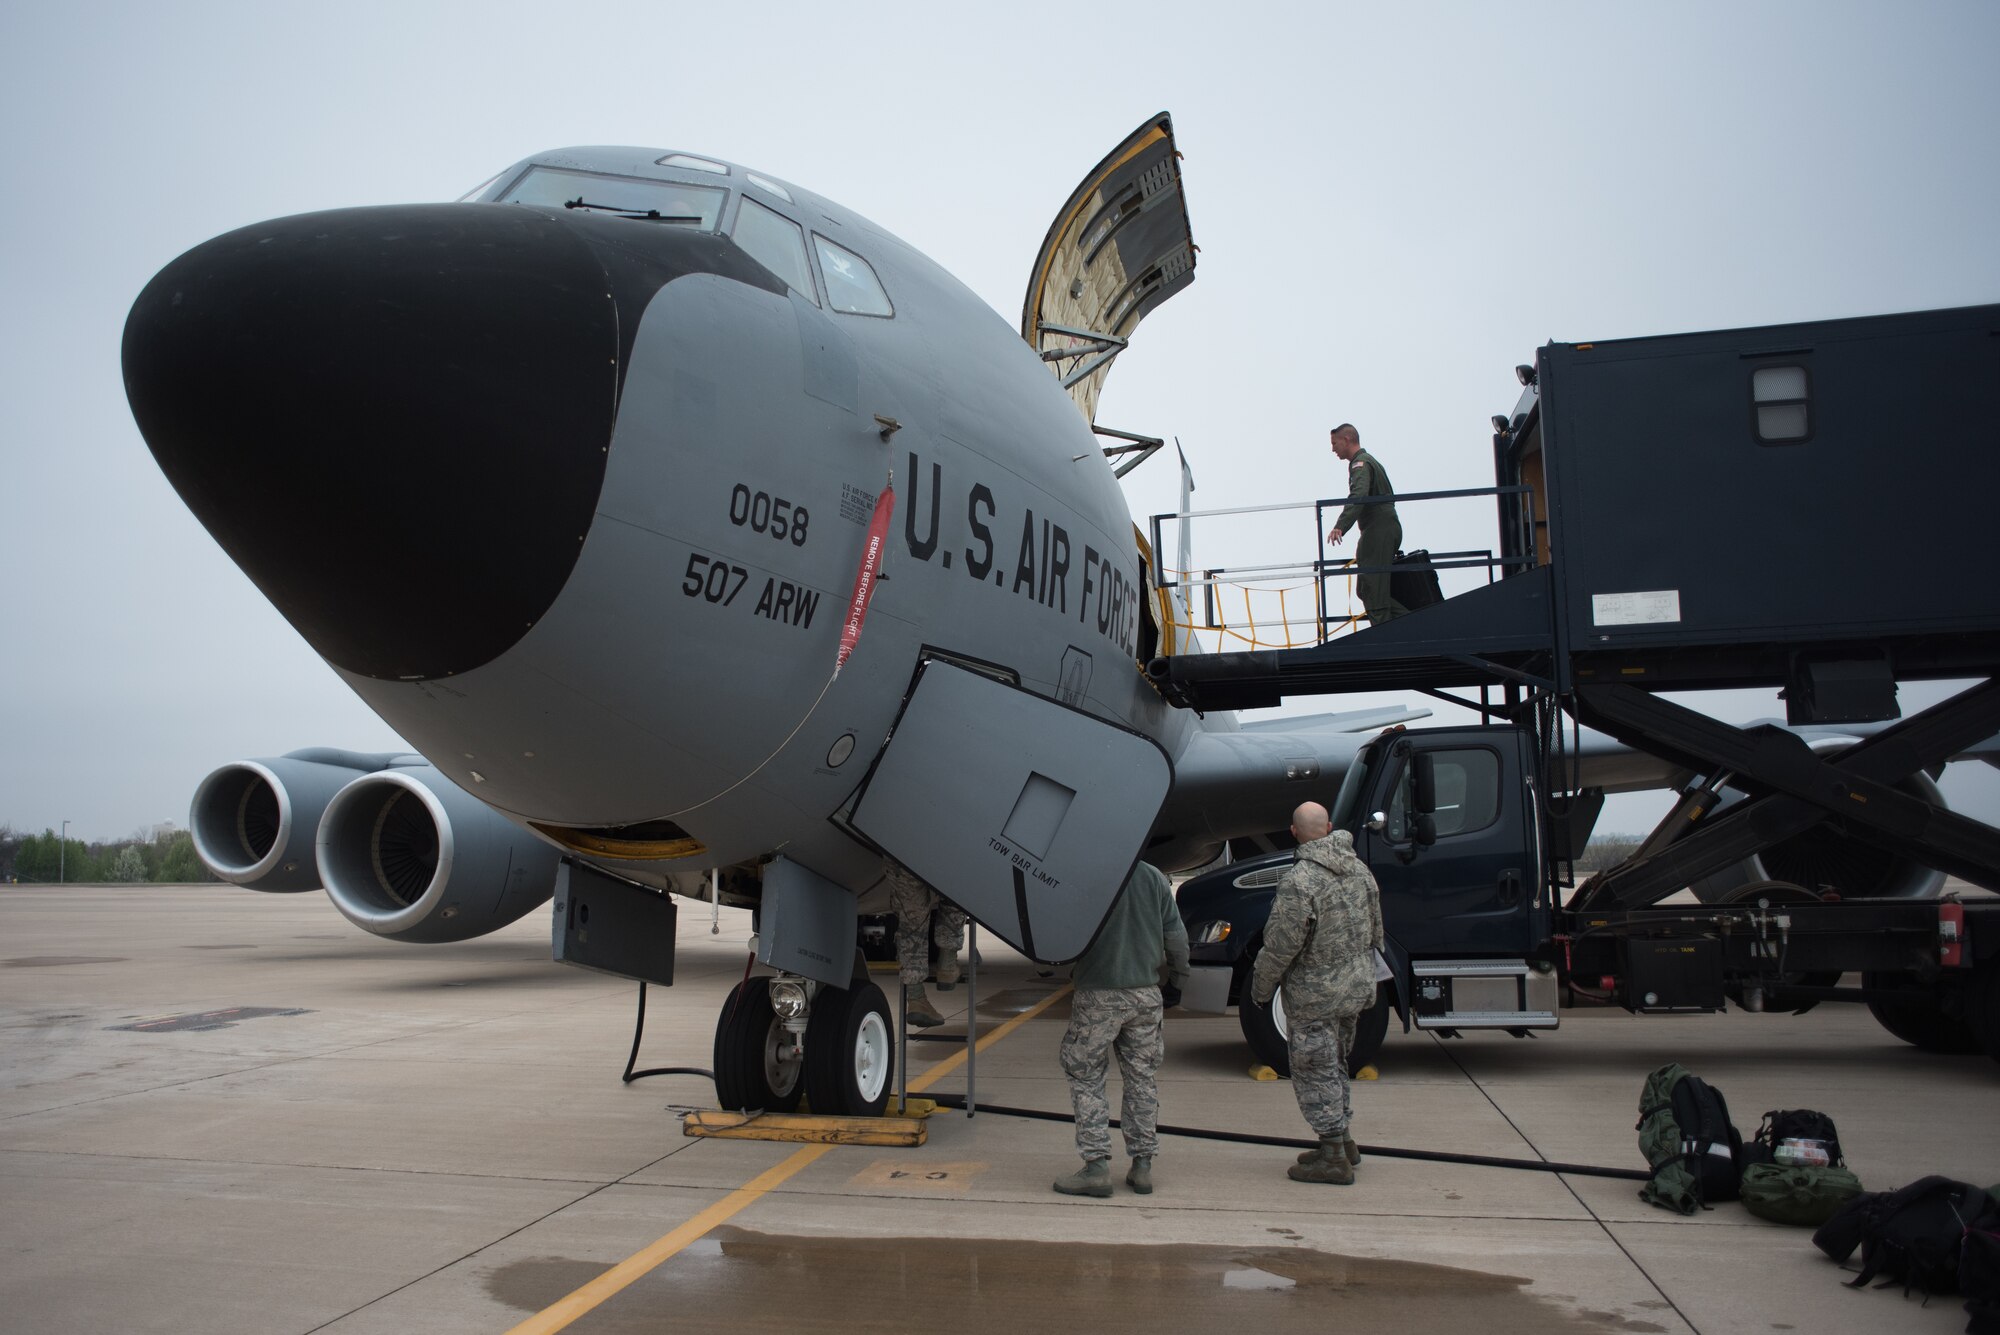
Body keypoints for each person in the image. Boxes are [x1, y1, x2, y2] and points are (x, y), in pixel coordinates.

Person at [1251, 800, 1384, 1185]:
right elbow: (1377, 929)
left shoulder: (1300, 881)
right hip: (1355, 989)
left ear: (1294, 833)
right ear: (1328, 828)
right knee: (1337, 1064)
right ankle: (1342, 1140)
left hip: (1315, 997)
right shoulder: (1360, 870)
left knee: (1313, 1070)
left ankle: (1332, 1157)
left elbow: (1280, 945)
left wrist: (1261, 987)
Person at [1053, 860, 1190, 1198]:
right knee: (1142, 1078)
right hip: (1144, 993)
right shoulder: (1154, 876)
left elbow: (1059, 933)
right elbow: (1175, 935)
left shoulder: (1085, 874)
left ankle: (1097, 1165)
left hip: (1097, 994)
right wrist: (1178, 978)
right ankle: (1142, 1165)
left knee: (1085, 1075)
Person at [1325, 423, 1409, 626]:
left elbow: (1359, 495)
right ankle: (1417, 622)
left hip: (1379, 529)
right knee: (1367, 588)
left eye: (1334, 443)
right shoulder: (1369, 461)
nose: (1333, 449)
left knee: (1373, 587)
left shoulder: (1360, 463)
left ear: (1346, 440)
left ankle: (1387, 636)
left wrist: (1340, 526)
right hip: (1381, 528)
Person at [884, 861, 966, 1028]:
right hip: (945, 847)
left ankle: (916, 998)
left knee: (911, 921)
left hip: (900, 848)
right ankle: (948, 964)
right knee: (957, 891)